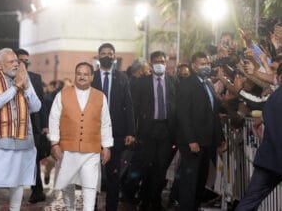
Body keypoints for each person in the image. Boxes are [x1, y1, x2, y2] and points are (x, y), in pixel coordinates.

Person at [0, 48, 41, 211]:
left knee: (18, 180)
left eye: (16, 61)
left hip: (22, 139)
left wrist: (26, 88)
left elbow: (36, 107)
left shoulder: (24, 78)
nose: (16, 64)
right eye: (11, 62)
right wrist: (15, 88)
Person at [49, 62, 113, 211]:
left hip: (91, 150)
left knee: (89, 186)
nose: (82, 77)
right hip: (67, 149)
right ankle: (70, 208)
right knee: (67, 184)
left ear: (91, 77)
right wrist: (54, 143)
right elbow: (53, 120)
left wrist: (107, 146)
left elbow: (105, 123)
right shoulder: (62, 95)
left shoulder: (100, 96)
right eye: (79, 73)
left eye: (85, 74)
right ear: (75, 75)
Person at [176, 51, 226, 211]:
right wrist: (191, 140)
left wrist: (221, 139)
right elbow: (183, 114)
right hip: (193, 142)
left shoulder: (208, 83)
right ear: (194, 66)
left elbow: (213, 113)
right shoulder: (187, 83)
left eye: (208, 63)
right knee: (190, 182)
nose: (206, 66)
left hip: (207, 141)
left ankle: (194, 207)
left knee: (200, 181)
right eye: (202, 64)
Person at [91, 43, 135, 211]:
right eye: (103, 53)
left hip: (116, 133)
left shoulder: (122, 78)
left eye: (110, 53)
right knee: (92, 174)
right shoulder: (92, 77)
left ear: (114, 57)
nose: (107, 56)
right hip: (93, 132)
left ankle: (111, 208)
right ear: (98, 56)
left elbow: (129, 105)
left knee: (113, 175)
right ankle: (91, 206)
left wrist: (131, 131)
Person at [131, 51, 177, 210]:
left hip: (166, 129)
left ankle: (155, 200)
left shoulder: (173, 81)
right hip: (148, 130)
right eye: (156, 61)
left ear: (166, 62)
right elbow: (135, 107)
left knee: (161, 167)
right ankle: (144, 198)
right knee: (147, 166)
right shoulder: (142, 82)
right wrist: (134, 131)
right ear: (151, 64)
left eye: (162, 61)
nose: (160, 64)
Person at [235, 64, 282, 210]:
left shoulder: (273, 97)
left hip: (268, 160)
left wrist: (240, 90)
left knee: (249, 201)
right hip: (271, 160)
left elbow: (257, 103)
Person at [15, 48, 48, 203]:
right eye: (21, 60)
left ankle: (37, 191)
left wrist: (45, 125)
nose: (24, 63)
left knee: (33, 159)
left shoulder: (35, 78)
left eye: (26, 60)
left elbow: (41, 103)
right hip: (13, 126)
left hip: (33, 126)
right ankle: (17, 192)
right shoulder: (8, 77)